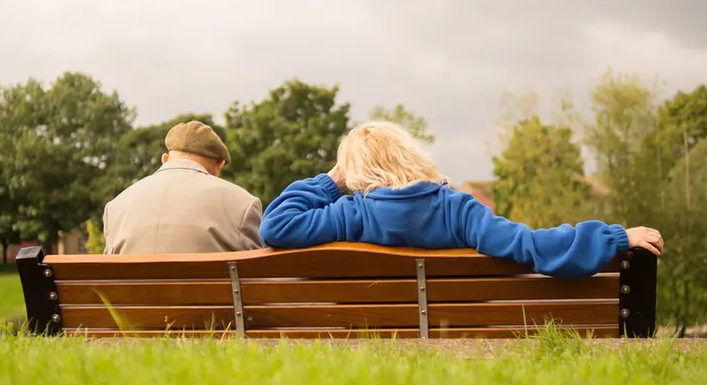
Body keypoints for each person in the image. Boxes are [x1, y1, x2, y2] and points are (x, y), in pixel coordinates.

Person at [259, 121, 663, 278]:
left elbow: (276, 225)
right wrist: (614, 237)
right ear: (410, 156)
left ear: (356, 173)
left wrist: (332, 181)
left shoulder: (350, 213)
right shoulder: (459, 210)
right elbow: (531, 246)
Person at [103, 121, 264, 254]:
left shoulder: (115, 207)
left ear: (165, 159)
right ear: (219, 165)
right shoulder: (243, 204)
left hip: (132, 294)